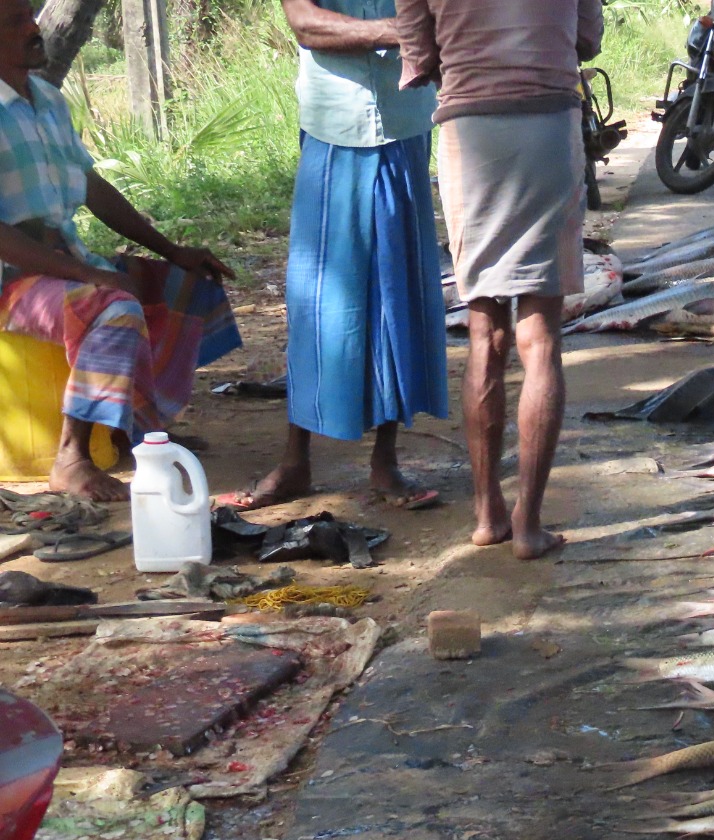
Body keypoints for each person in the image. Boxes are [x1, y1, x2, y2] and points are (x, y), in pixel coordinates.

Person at [0, 0, 238, 502]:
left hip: (62, 263)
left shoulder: (47, 99)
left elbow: (91, 187)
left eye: (29, 15)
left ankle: (142, 428)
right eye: (15, 21)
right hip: (11, 280)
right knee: (113, 309)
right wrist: (88, 275)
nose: (33, 27)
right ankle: (71, 458)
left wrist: (173, 250)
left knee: (189, 285)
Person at [219, 0, 449, 512]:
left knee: (396, 297)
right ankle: (295, 461)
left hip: (404, 123)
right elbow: (306, 24)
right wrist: (401, 30)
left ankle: (385, 462)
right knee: (319, 300)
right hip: (334, 128)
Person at [395, 0, 602, 559]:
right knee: (542, 339)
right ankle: (528, 525)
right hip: (548, 127)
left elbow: (419, 56)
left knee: (484, 332)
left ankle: (488, 514)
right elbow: (586, 39)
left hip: (470, 132)